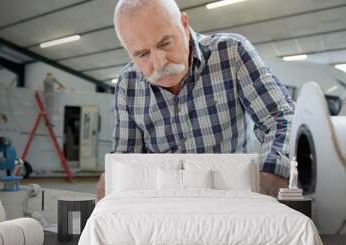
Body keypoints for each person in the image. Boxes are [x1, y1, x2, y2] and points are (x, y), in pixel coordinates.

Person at [96, 0, 294, 201]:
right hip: (166, 207)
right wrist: (113, 176)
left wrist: (272, 171)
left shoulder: (231, 53)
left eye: (165, 43)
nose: (159, 63)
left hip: (233, 200)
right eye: (142, 54)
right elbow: (126, 158)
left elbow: (280, 118)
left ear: (183, 24)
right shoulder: (127, 84)